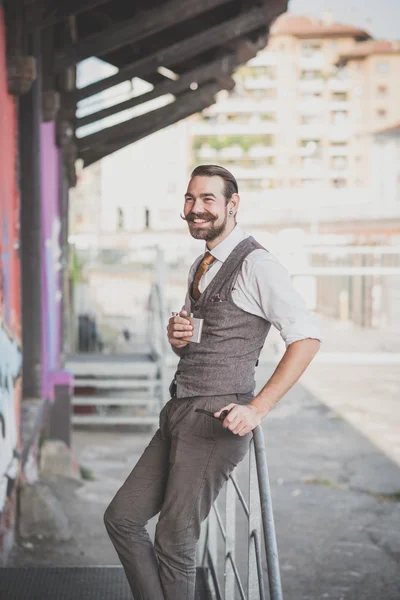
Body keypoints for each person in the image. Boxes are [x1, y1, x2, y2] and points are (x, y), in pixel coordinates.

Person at [104, 165, 322, 599]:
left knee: (175, 539)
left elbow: (307, 338)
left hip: (215, 423)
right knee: (122, 518)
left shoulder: (258, 264)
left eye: (208, 200)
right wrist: (178, 339)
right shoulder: (201, 265)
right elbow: (199, 344)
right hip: (179, 412)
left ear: (232, 205)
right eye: (190, 199)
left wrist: (257, 408)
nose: (196, 209)